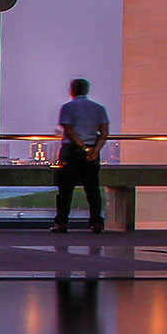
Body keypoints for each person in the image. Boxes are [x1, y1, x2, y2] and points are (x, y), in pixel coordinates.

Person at [51, 79, 110, 233]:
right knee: (92, 189)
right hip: (92, 151)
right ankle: (96, 222)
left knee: (65, 189)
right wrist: (95, 150)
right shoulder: (99, 108)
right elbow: (104, 132)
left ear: (72, 90)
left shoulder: (68, 108)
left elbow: (68, 130)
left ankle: (62, 223)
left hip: (71, 152)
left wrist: (82, 147)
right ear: (87, 90)